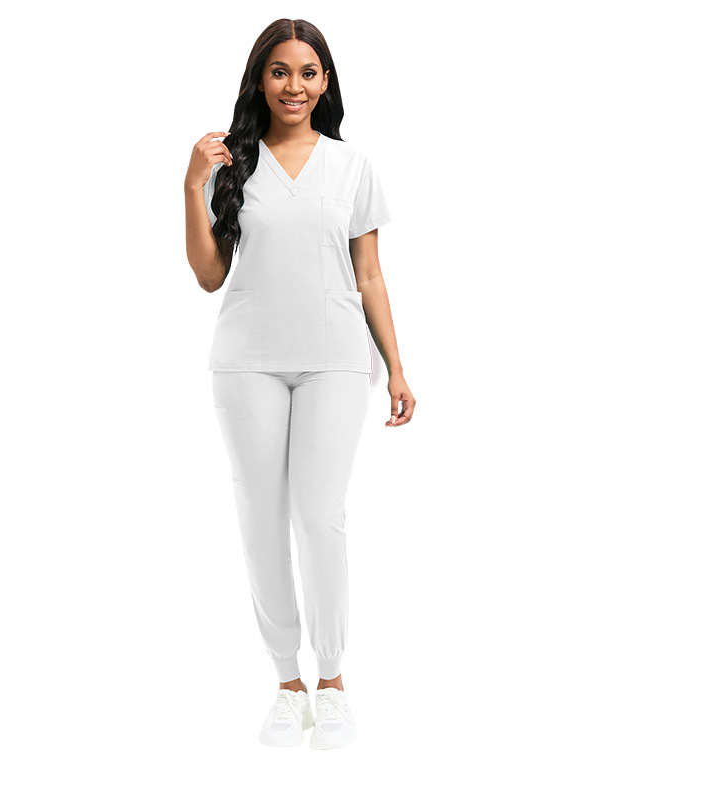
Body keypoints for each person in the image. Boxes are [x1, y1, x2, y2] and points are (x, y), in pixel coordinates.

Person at [184, 18, 416, 749]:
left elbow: (369, 274)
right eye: (279, 71)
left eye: (308, 72)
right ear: (260, 79)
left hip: (335, 361)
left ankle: (333, 682)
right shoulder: (232, 165)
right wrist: (192, 185)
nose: (294, 85)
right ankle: (287, 685)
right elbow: (209, 276)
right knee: (260, 518)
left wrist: (397, 367)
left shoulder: (352, 166)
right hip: (246, 360)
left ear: (325, 81)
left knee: (320, 516)